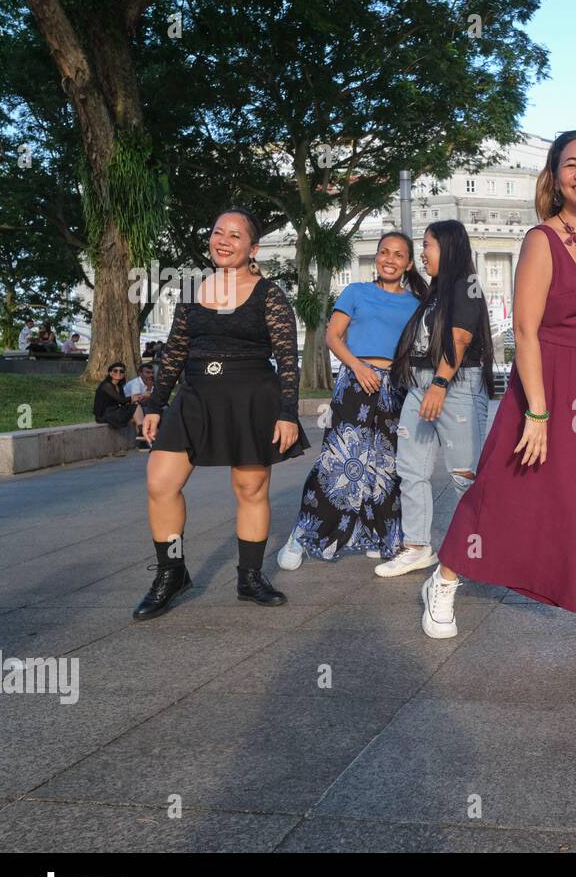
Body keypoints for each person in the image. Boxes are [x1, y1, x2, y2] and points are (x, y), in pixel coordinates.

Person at [421, 129, 576, 641]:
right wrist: (537, 412)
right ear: (556, 178)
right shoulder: (541, 239)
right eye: (571, 164)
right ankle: (445, 578)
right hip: (546, 377)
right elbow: (524, 329)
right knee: (512, 489)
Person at [134, 206, 310, 620]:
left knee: (250, 489)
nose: (224, 241)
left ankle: (249, 578)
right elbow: (175, 351)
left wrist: (287, 412)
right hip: (195, 395)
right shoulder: (193, 288)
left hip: (251, 397)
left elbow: (288, 359)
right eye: (218, 232)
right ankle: (171, 572)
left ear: (253, 247)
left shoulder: (270, 294)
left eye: (235, 235)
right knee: (160, 482)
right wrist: (157, 404)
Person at [276, 231, 425, 569]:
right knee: (338, 461)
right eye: (384, 252)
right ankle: (303, 534)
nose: (390, 259)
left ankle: (380, 535)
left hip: (395, 389)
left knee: (387, 466)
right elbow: (332, 335)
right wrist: (358, 367)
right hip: (356, 383)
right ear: (376, 257)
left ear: (409, 263)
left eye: (398, 255)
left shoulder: (416, 303)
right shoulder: (356, 292)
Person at [376, 220, 495, 577]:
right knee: (410, 468)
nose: (423, 253)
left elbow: (458, 338)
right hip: (420, 383)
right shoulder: (435, 291)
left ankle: (480, 549)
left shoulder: (466, 285)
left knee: (464, 474)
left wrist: (440, 385)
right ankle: (416, 547)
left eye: (427, 245)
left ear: (448, 247)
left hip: (455, 385)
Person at [93, 362, 141, 439]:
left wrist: (134, 400)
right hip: (104, 414)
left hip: (114, 411)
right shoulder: (106, 385)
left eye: (121, 371)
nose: (118, 373)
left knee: (136, 413)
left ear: (124, 374)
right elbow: (121, 400)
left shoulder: (119, 386)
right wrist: (132, 398)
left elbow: (122, 403)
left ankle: (141, 437)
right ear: (110, 373)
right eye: (115, 371)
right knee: (135, 409)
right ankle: (142, 435)